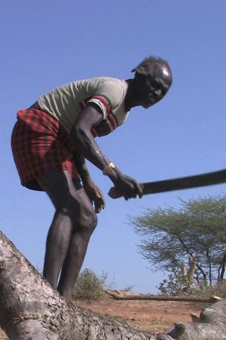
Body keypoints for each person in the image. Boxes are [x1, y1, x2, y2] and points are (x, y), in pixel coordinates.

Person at [11, 57, 173, 300]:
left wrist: (87, 181)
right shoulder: (115, 91)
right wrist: (114, 173)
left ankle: (64, 300)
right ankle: (46, 294)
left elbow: (79, 141)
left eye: (164, 91)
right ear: (139, 75)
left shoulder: (123, 115)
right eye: (155, 84)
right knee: (68, 206)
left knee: (87, 219)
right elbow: (80, 131)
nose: (158, 93)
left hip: (61, 142)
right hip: (39, 128)